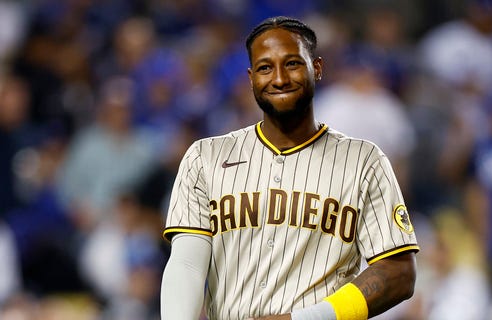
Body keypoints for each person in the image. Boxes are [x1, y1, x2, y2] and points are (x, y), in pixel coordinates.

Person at [160, 16, 419, 320]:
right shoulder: (205, 157)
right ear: (250, 77)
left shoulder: (364, 160)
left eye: (293, 63)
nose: (279, 78)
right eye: (265, 67)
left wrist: (306, 319)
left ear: (317, 68)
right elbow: (187, 263)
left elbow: (399, 273)